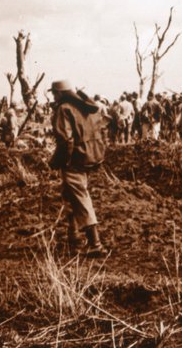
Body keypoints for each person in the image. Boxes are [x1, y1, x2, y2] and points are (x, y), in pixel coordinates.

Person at [49, 80, 108, 257]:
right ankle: (73, 238)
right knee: (70, 195)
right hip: (89, 157)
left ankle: (95, 243)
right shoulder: (87, 107)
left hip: (73, 160)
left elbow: (66, 140)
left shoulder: (64, 109)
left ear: (60, 94)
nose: (53, 96)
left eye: (54, 93)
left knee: (81, 197)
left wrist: (57, 161)